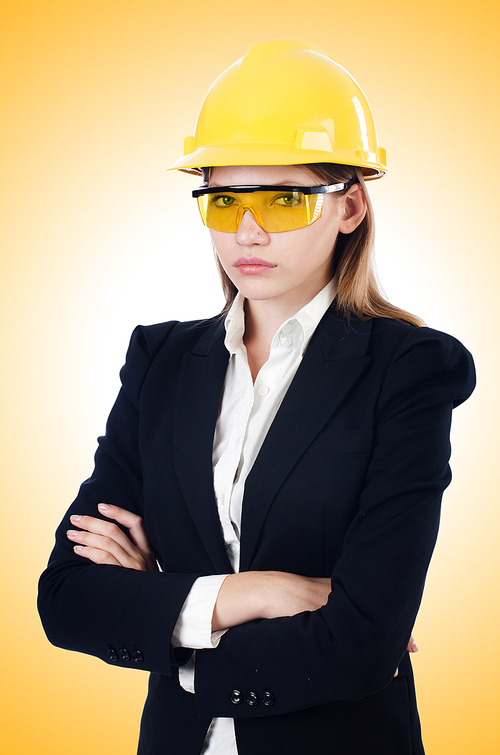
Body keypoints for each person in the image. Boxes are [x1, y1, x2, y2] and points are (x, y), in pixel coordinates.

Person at [38, 40, 475, 755]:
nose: (247, 229)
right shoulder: (161, 360)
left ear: (350, 206)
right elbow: (69, 600)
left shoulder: (410, 368)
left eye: (284, 198)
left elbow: (364, 642)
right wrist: (256, 592)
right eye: (224, 198)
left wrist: (168, 607)